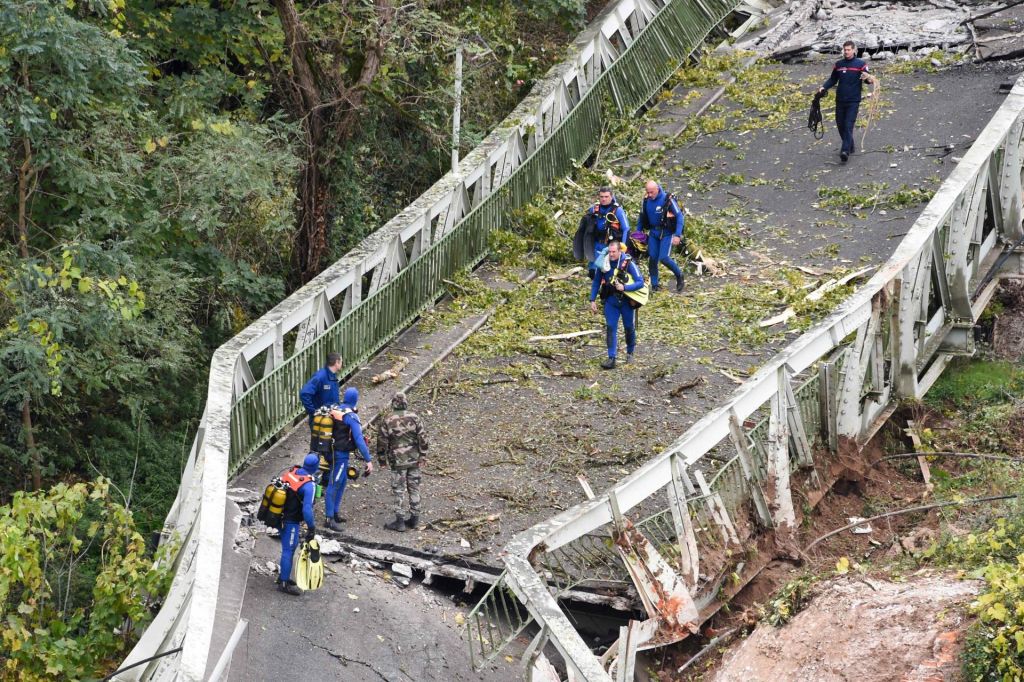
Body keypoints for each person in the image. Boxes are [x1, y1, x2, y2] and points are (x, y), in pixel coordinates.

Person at [324, 387, 374, 531]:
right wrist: (368, 459)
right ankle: (329, 518)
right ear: (355, 399)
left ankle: (335, 512)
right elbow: (359, 439)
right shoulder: (351, 416)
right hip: (339, 454)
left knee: (343, 481)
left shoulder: (336, 410)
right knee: (334, 483)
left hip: (330, 451)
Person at [378, 391, 430, 532]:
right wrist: (423, 455)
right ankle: (415, 518)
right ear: (406, 402)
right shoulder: (415, 417)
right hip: (414, 459)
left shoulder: (387, 420)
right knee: (414, 487)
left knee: (399, 490)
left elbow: (382, 442)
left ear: (393, 403)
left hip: (397, 461)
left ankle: (400, 521)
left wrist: (382, 460)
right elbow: (423, 438)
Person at [818, 40, 876, 163]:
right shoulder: (839, 64)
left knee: (848, 125)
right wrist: (823, 87)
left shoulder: (860, 64)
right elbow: (833, 79)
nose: (846, 52)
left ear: (854, 50)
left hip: (853, 101)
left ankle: (844, 151)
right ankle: (850, 145)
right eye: (845, 50)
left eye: (849, 50)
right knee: (840, 125)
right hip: (840, 100)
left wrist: (869, 79)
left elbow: (867, 77)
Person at [589, 240, 645, 369]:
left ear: (620, 251)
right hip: (611, 301)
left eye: (614, 252)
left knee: (628, 327)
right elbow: (596, 282)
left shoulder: (628, 263)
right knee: (610, 327)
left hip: (626, 301)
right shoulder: (603, 263)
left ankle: (630, 353)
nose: (612, 254)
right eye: (610, 251)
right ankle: (611, 357)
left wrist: (625, 287)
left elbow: (640, 282)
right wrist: (592, 300)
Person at [277, 453, 319, 596]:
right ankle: (283, 583)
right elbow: (307, 509)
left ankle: (284, 576)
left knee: (288, 548)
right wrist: (311, 527)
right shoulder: (309, 485)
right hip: (290, 520)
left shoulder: (292, 472)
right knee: (288, 550)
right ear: (316, 467)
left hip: (279, 515)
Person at [637, 181, 684, 293]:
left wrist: (677, 235)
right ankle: (655, 284)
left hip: (667, 232)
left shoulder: (667, 199)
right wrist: (638, 233)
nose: (649, 195)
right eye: (647, 192)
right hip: (653, 232)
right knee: (652, 258)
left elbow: (679, 216)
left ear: (657, 189)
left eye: (651, 192)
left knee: (664, 258)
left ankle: (679, 275)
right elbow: (642, 217)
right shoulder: (646, 200)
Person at [583, 187, 630, 278]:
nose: (604, 199)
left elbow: (626, 229)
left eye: (606, 196)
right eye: (601, 196)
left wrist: (623, 246)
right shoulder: (594, 209)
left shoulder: (617, 210)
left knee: (608, 274)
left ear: (611, 197)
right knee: (593, 273)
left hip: (609, 246)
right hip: (596, 245)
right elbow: (585, 228)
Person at [299, 352, 342, 426]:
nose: (342, 364)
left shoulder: (332, 376)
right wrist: (313, 412)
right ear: (337, 362)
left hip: (331, 419)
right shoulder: (320, 377)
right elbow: (304, 393)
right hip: (320, 422)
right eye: (341, 361)